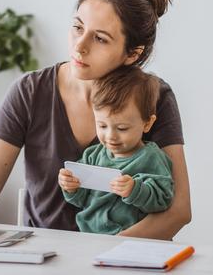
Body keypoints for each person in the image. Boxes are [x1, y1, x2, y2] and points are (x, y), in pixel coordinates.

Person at [0, 0, 191, 240]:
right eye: (78, 28)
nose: (79, 47)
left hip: (123, 260)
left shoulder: (155, 96)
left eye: (100, 38)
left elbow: (178, 211)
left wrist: (104, 253)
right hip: (43, 258)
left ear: (132, 54)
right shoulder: (29, 92)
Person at [59, 66, 174, 234]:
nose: (110, 136)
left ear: (147, 123)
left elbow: (163, 199)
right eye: (102, 126)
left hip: (130, 239)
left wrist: (135, 190)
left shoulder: (151, 157)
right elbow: (81, 200)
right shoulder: (93, 155)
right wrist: (71, 187)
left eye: (122, 128)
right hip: (88, 237)